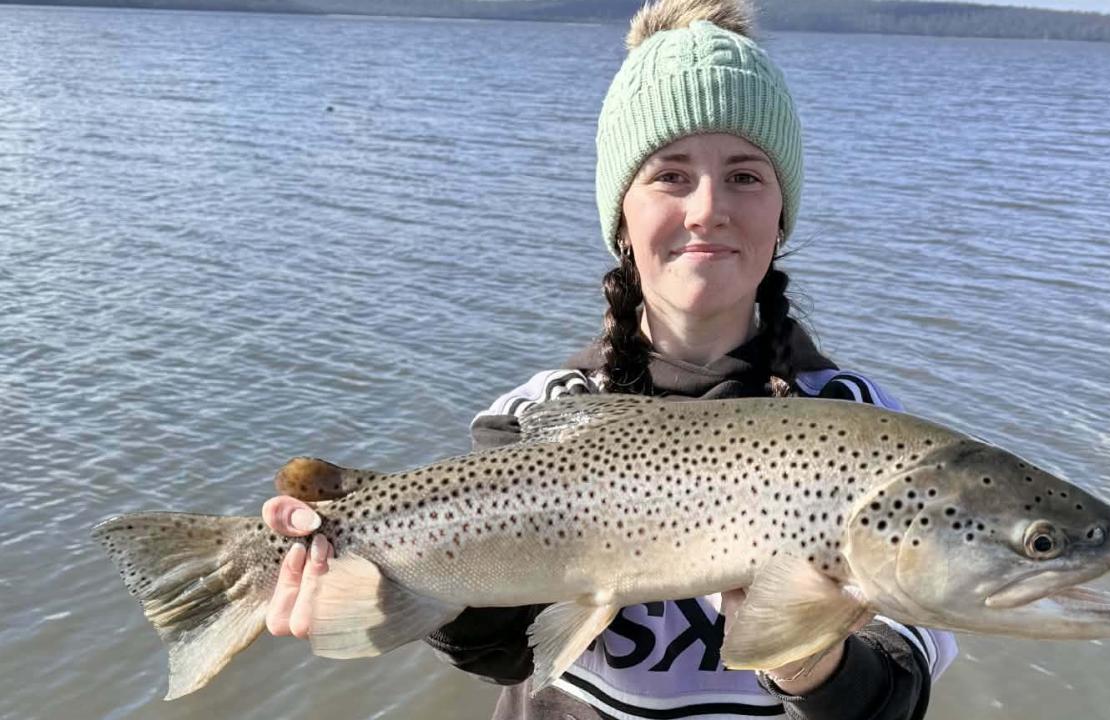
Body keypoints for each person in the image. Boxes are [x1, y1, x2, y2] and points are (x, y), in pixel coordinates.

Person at [261, 0, 957, 717]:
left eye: (746, 176)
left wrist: (809, 655)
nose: (708, 208)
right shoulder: (535, 417)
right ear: (620, 213)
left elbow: (893, 700)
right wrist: (378, 581)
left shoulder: (870, 438)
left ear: (783, 213)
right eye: (670, 175)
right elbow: (507, 654)